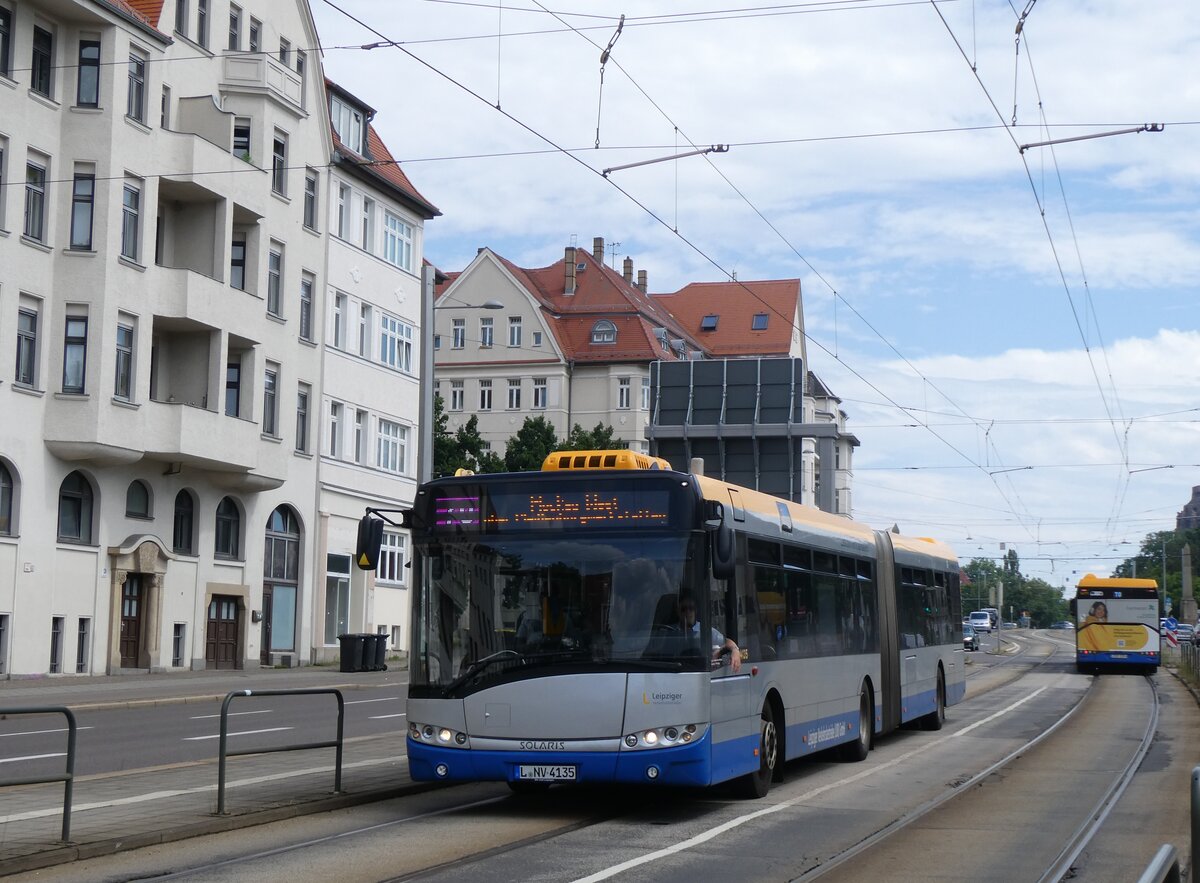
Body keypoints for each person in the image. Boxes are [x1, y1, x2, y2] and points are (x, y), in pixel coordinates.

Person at [676, 594, 742, 673]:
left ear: (696, 610)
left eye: (691, 608)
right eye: (683, 609)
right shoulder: (668, 631)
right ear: (678, 611)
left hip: (700, 671)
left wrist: (735, 650)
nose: (687, 612)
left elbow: (727, 642)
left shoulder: (705, 630)